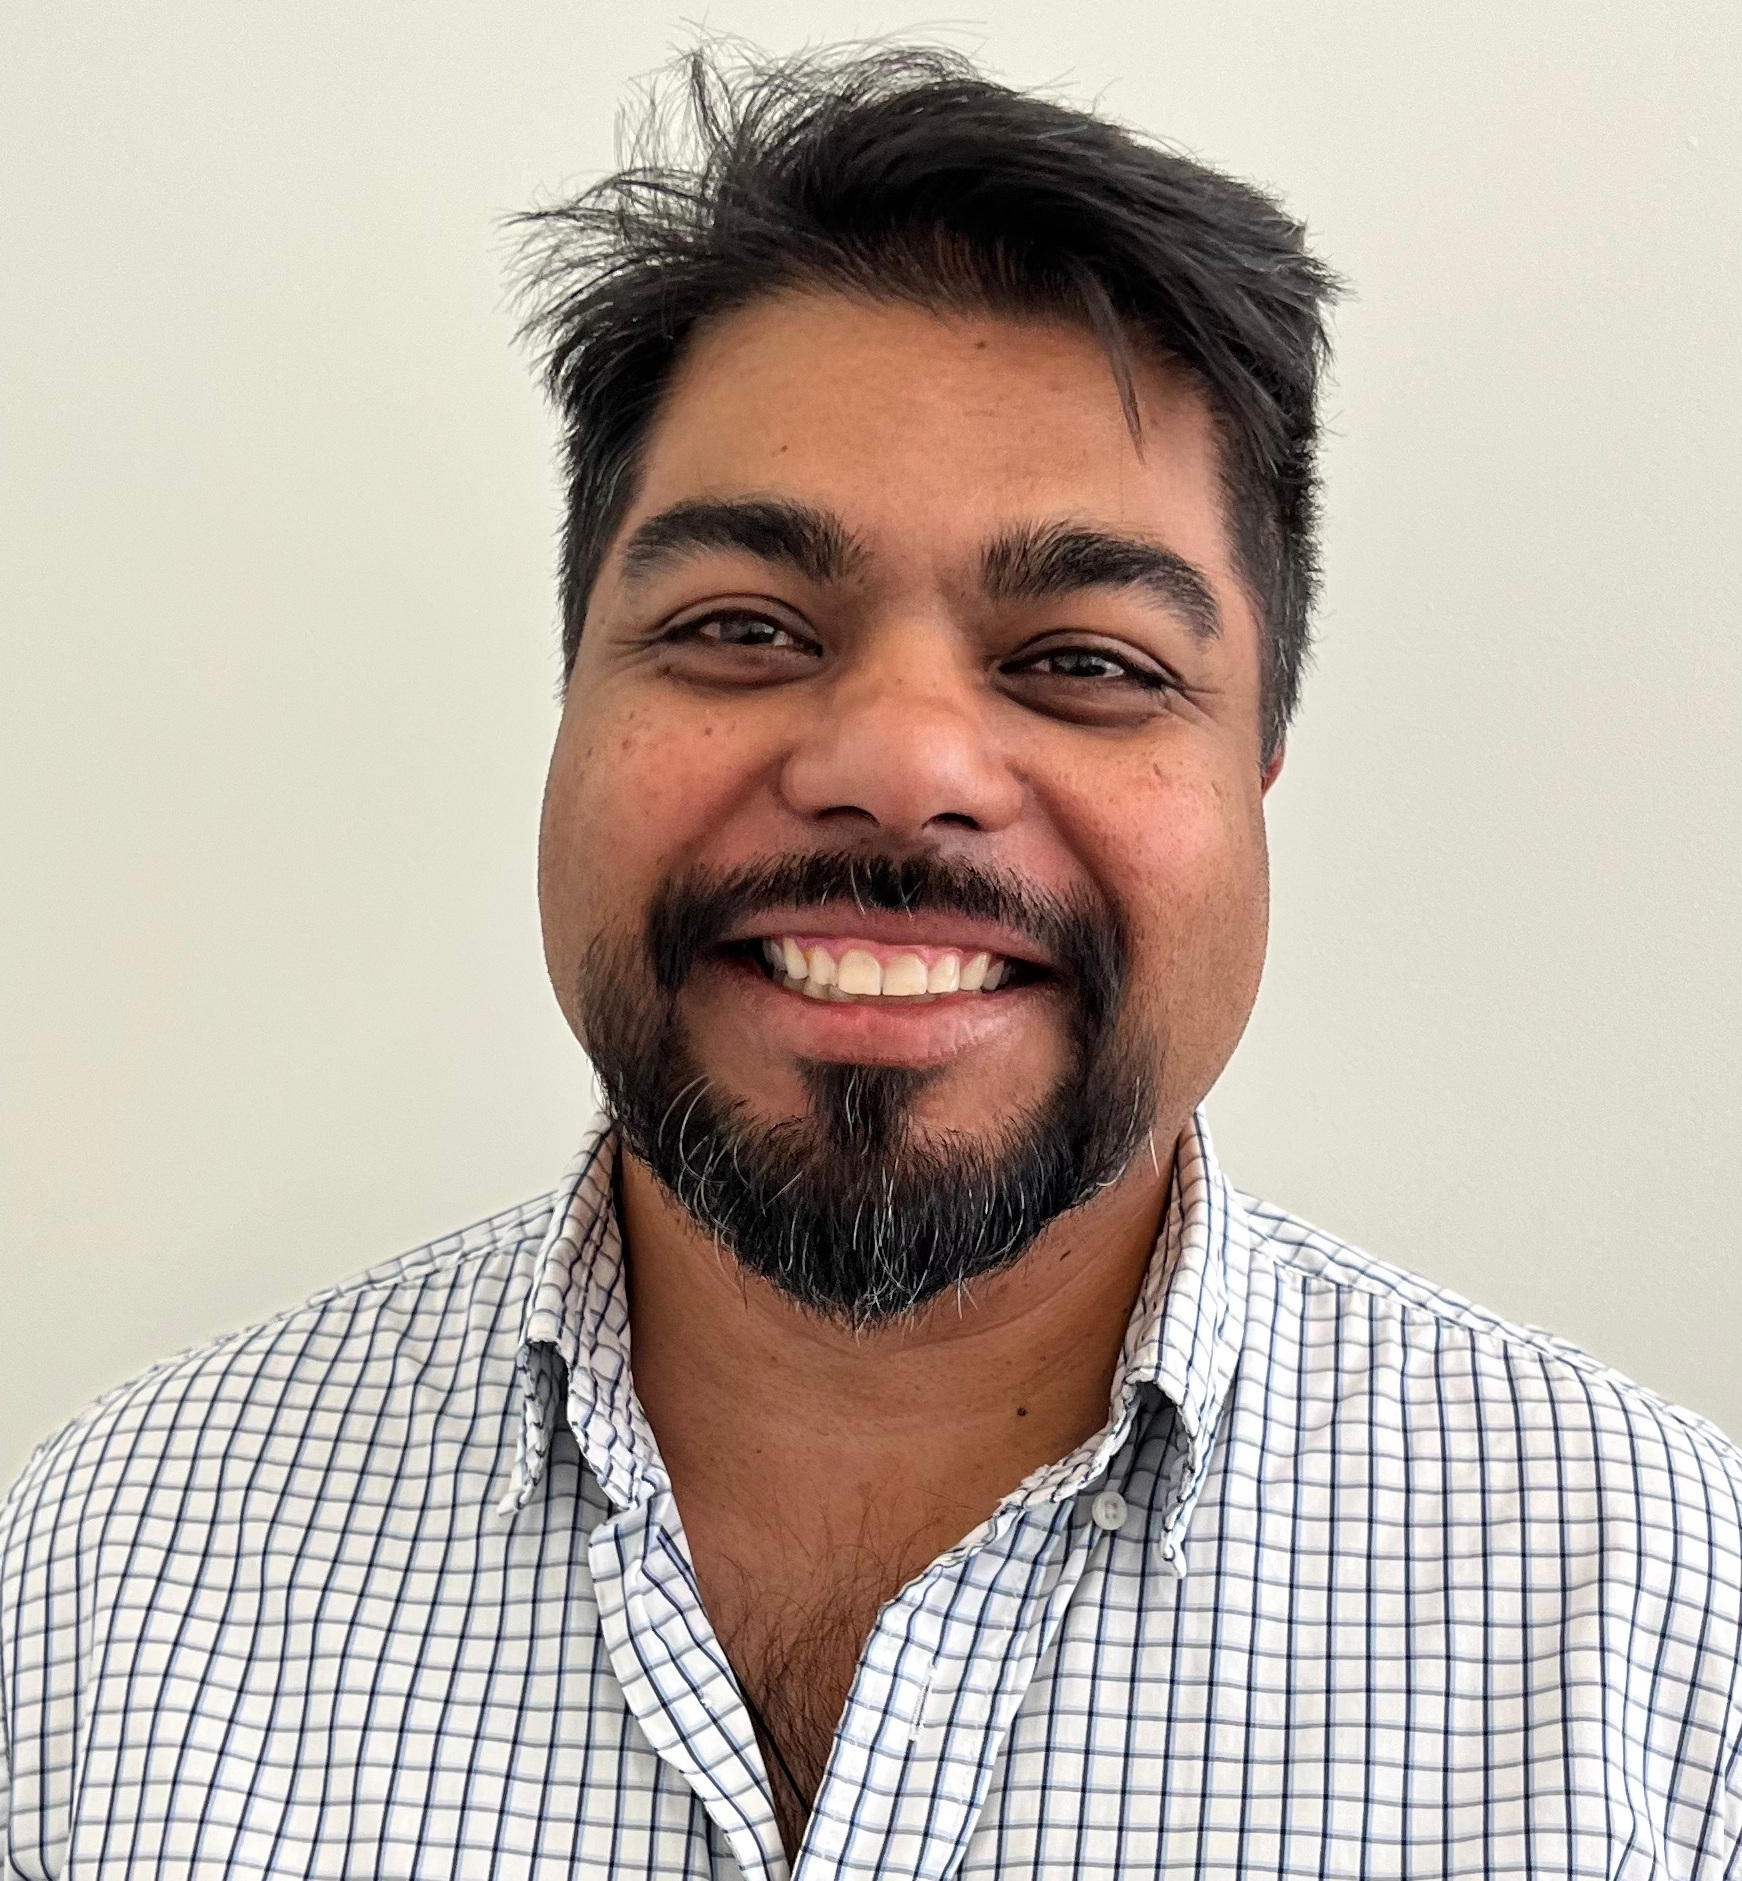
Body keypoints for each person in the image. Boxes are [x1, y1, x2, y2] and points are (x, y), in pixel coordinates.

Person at [3, 42, 1738, 1881]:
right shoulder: (111, 1587)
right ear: (569, 699)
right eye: (745, 627)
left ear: (1257, 771)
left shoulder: (1659, 1633)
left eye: (1085, 661)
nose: (902, 765)